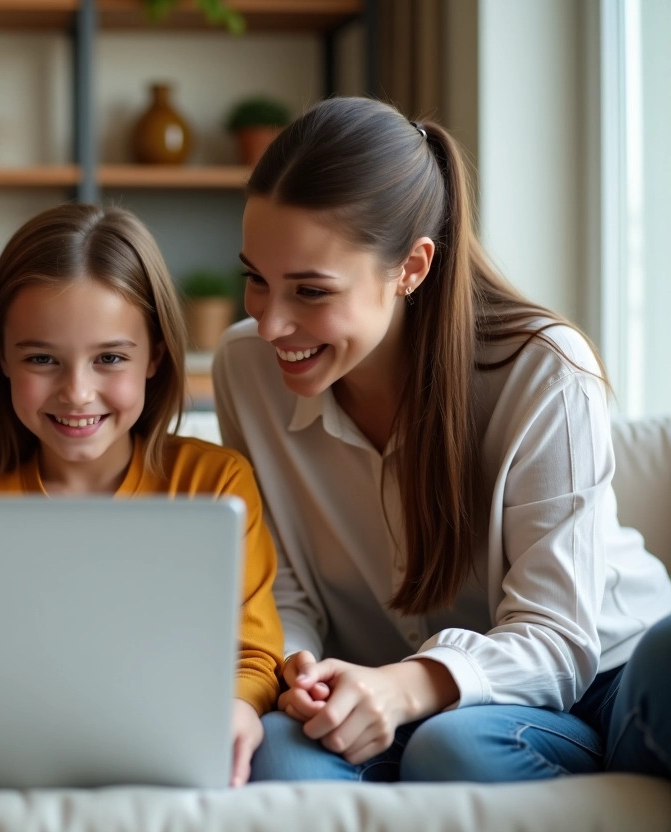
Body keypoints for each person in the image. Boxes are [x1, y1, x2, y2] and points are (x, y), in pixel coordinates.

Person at [213, 95, 671, 783]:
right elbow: (283, 588)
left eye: (310, 291)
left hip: (604, 676)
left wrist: (408, 686)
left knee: (454, 746)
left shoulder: (543, 369)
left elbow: (556, 636)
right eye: (256, 280)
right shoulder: (244, 370)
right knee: (283, 751)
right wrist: (297, 669)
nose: (272, 323)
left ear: (411, 269)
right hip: (404, 706)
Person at [0, 202, 285, 787]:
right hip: (8, 751)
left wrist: (238, 709)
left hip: (165, 746)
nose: (76, 393)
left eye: (110, 359)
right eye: (42, 359)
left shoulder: (215, 486)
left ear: (157, 355)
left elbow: (254, 655)